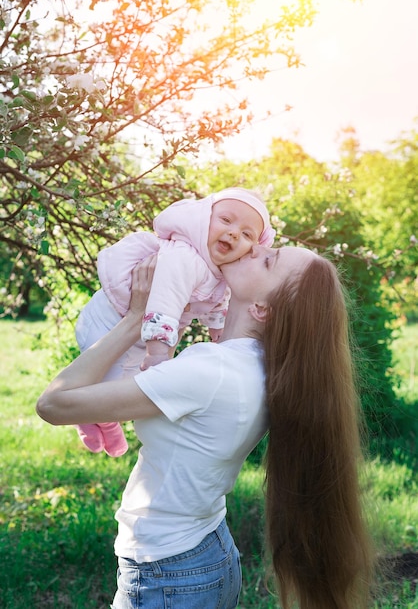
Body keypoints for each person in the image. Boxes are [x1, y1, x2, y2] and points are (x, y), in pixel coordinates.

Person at [36, 244, 375, 609]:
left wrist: (137, 317)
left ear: (262, 309)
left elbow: (53, 404)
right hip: (204, 554)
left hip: (167, 573)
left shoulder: (210, 371)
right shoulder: (258, 366)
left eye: (268, 260)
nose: (254, 246)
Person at [74, 187, 275, 457]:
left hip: (137, 332)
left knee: (128, 382)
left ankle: (102, 418)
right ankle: (91, 416)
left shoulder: (219, 273)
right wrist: (158, 355)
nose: (234, 233)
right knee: (107, 384)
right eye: (226, 220)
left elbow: (218, 304)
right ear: (204, 219)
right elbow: (165, 299)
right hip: (109, 319)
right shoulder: (185, 257)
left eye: (247, 233)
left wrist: (219, 333)